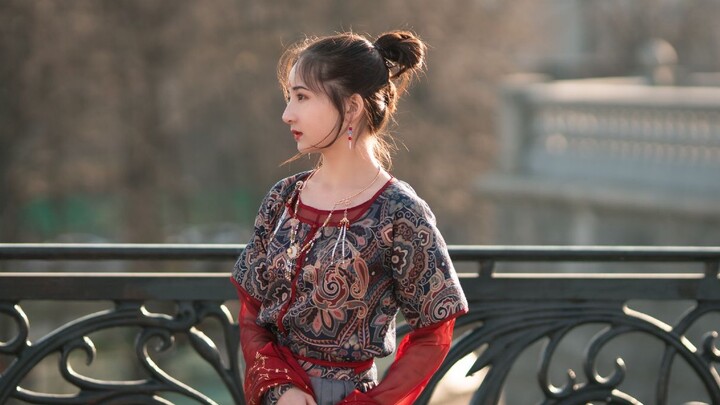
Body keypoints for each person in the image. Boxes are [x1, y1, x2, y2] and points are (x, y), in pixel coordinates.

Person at [231, 30, 468, 405]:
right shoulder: (283, 198)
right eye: (289, 97)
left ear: (352, 107)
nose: (287, 113)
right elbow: (252, 312)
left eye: (302, 97)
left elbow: (433, 332)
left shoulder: (399, 212)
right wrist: (280, 387)